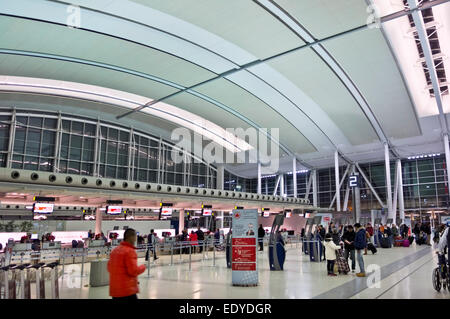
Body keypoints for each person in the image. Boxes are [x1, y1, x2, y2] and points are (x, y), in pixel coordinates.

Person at [107, 228, 146, 300]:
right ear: (131, 237)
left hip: (115, 291)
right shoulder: (129, 251)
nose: (135, 239)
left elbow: (109, 268)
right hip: (127, 290)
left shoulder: (115, 250)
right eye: (135, 237)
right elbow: (133, 271)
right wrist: (143, 267)